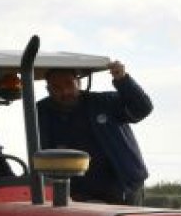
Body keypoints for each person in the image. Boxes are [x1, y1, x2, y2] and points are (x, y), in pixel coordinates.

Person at [37, 60, 153, 205]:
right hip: (74, 191)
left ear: (78, 83)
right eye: (57, 87)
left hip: (122, 185)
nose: (65, 91)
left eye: (69, 84)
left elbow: (142, 108)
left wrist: (123, 80)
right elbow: (41, 151)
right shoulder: (41, 112)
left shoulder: (105, 102)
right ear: (48, 89)